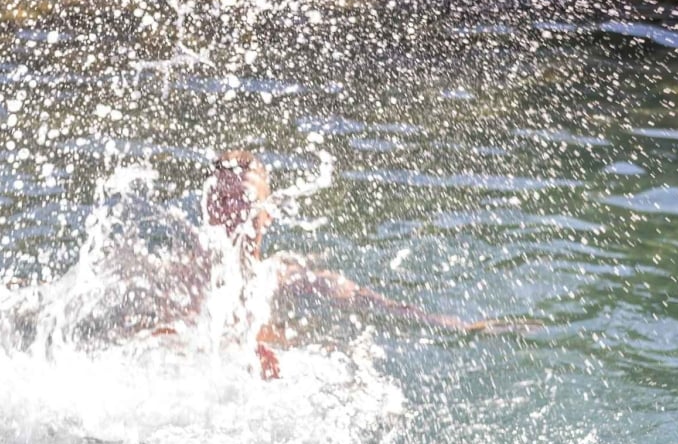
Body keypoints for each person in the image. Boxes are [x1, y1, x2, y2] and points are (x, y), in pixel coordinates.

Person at [193, 149, 531, 378]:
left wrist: (463, 329)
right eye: (223, 200)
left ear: (268, 215)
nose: (236, 214)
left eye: (247, 202)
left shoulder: (293, 281)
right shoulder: (171, 278)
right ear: (207, 206)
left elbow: (385, 310)